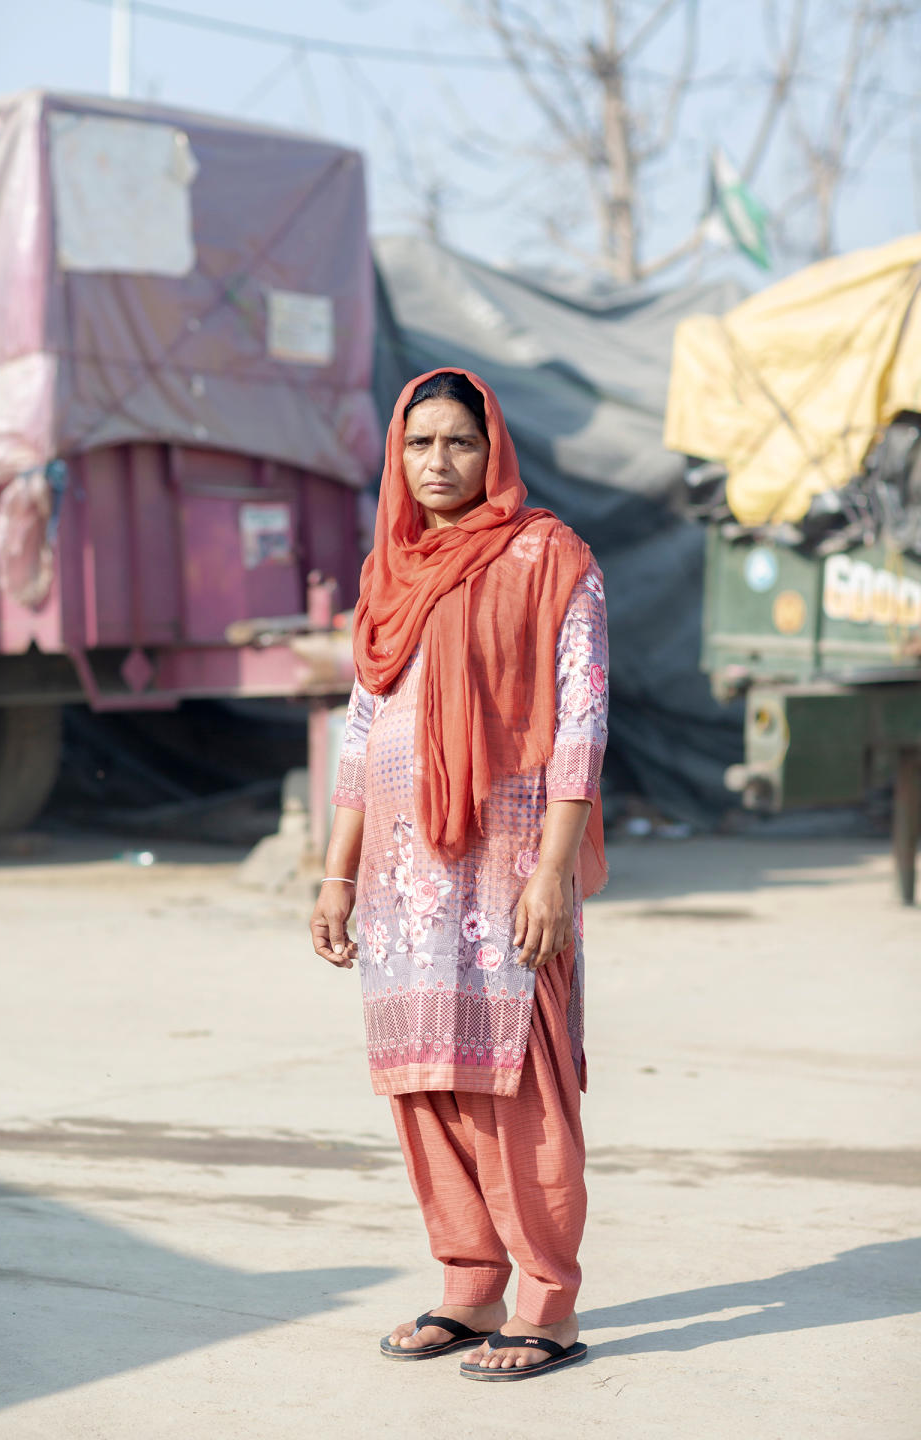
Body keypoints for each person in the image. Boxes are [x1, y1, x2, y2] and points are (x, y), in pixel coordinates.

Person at [309, 368, 608, 1382]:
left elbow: (582, 719)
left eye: (459, 445)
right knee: (424, 1085)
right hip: (399, 876)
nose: (438, 465)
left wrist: (553, 872)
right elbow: (362, 729)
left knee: (513, 1087)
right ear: (396, 456)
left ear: (495, 451)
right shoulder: (390, 571)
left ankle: (548, 1304)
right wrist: (336, 874)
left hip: (505, 865)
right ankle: (469, 1287)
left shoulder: (550, 555)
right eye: (419, 445)